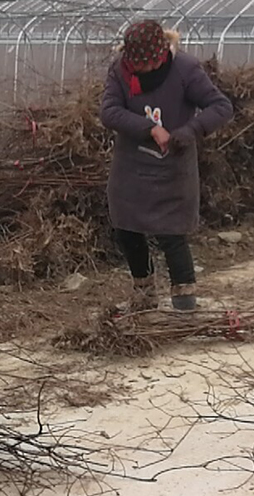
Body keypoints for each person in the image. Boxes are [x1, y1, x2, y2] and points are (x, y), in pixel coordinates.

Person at [100, 20, 234, 311]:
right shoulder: (120, 70)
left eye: (145, 64)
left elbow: (221, 106)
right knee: (128, 229)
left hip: (172, 166)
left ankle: (184, 300)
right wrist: (149, 128)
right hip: (130, 167)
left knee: (171, 233)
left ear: (160, 55)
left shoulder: (185, 69)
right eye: (135, 64)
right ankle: (144, 294)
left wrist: (189, 131)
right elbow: (109, 111)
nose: (140, 70)